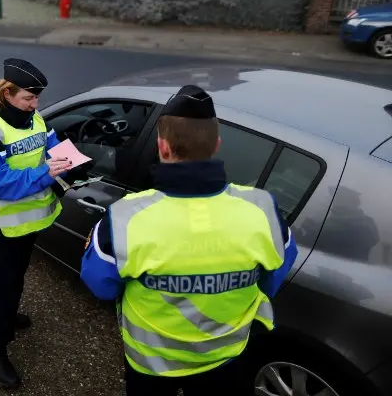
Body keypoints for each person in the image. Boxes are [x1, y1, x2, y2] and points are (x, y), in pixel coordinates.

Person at [80, 84, 299, 396]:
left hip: (150, 368)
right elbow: (273, 279)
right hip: (224, 361)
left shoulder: (124, 218)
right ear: (217, 144)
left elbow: (100, 286)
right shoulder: (264, 210)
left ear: (163, 147)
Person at [0, 58, 74, 390]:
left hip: (23, 227)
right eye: (28, 98)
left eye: (37, 99)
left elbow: (52, 144)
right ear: (7, 93)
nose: (36, 105)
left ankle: (7, 318)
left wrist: (72, 160)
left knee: (14, 280)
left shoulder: (31, 117)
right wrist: (46, 172)